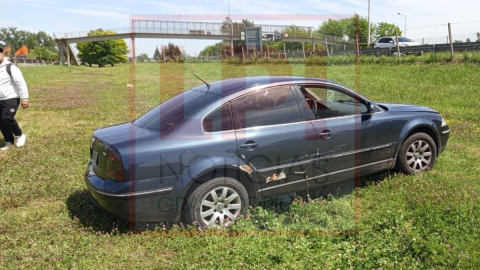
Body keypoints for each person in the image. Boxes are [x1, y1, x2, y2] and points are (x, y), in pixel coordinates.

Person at [0, 47, 29, 150]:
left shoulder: (11, 68)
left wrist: (24, 98)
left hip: (11, 97)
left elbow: (21, 83)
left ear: (2, 54)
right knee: (1, 121)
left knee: (6, 117)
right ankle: (9, 141)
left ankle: (20, 135)